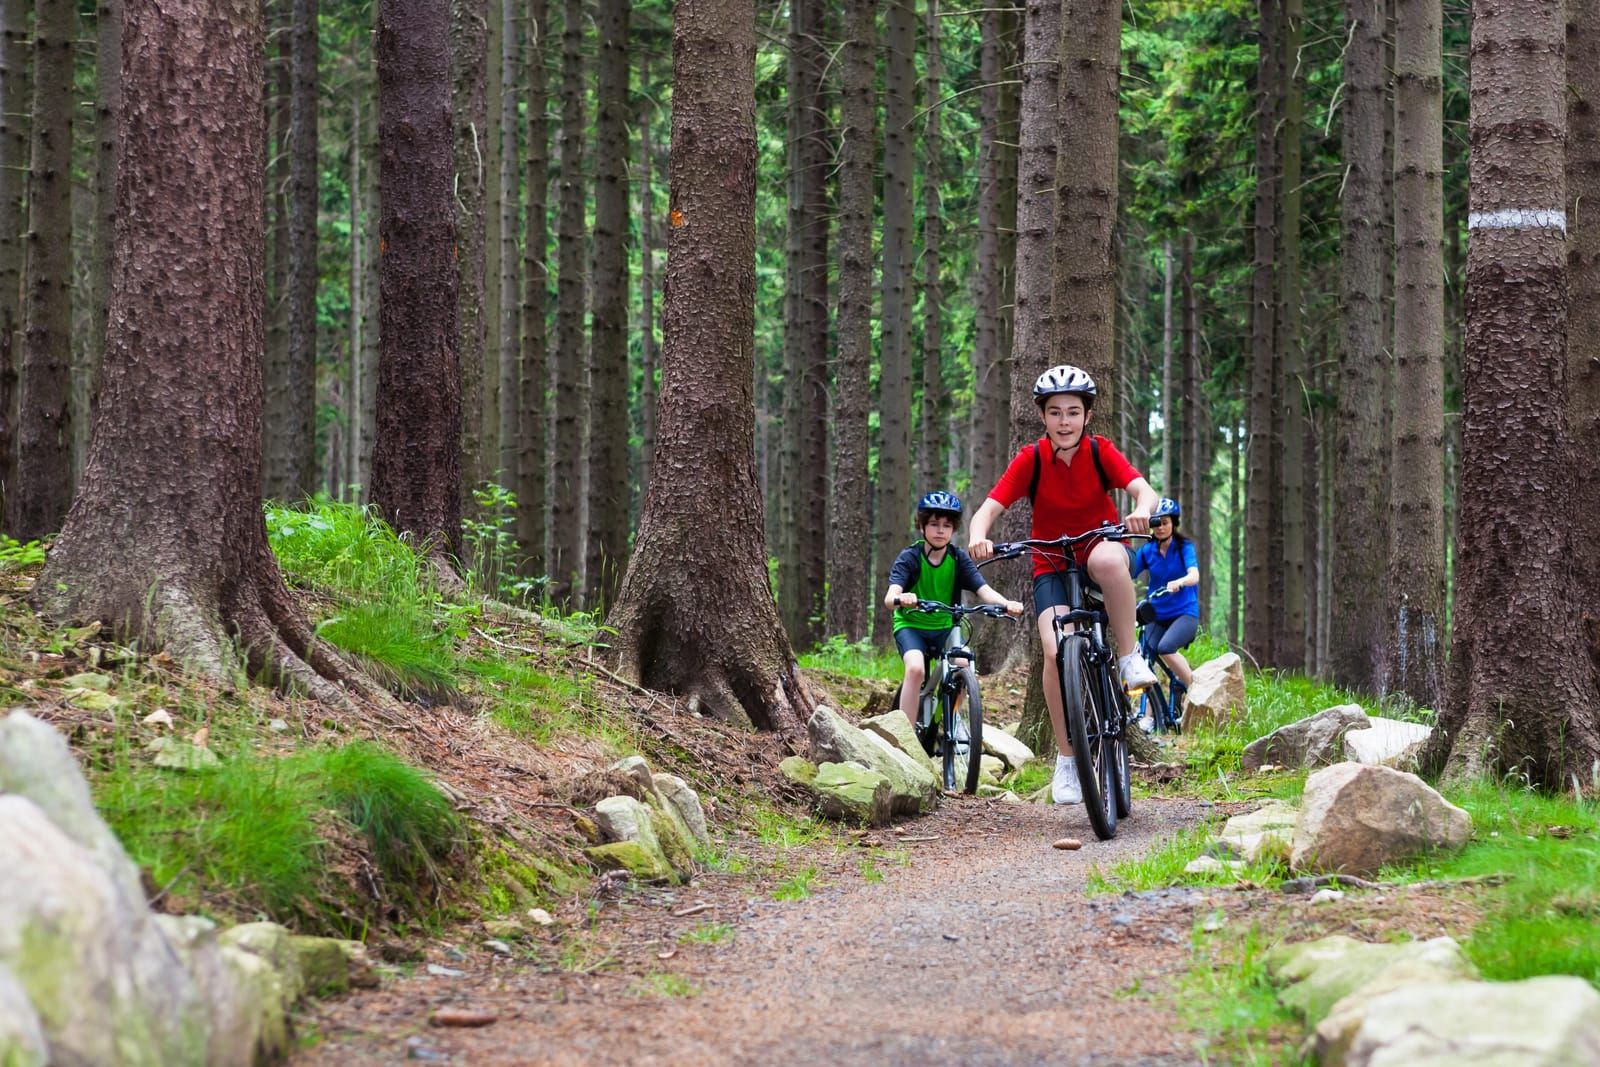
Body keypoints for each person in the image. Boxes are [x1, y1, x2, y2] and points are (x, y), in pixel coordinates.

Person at [967, 365, 1160, 805]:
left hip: (1100, 551)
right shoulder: (1032, 459)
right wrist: (978, 536)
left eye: (1073, 412)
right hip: (1051, 563)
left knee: (1108, 558)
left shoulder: (1100, 451)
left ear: (1087, 416)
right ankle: (1068, 759)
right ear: (1043, 416)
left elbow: (1144, 491)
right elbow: (988, 508)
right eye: (1055, 412)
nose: (1065, 421)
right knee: (1055, 651)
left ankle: (1128, 657)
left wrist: (1141, 511)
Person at [884, 491, 1024, 727]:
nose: (940, 530)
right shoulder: (910, 557)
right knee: (916, 669)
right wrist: (902, 597)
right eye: (934, 524)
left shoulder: (958, 559)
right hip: (911, 626)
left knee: (963, 663)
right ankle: (903, 736)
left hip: (945, 627)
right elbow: (890, 598)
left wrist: (1006, 604)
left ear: (954, 529)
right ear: (922, 526)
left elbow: (984, 590)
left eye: (947, 525)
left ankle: (952, 720)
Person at [1131, 496, 1200, 731]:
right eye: (1156, 523)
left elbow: (1194, 575)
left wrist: (1181, 582)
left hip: (1184, 613)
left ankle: (1198, 694)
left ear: (1173, 523)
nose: (1160, 527)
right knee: (1144, 659)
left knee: (1166, 647)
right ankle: (1148, 716)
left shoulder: (1183, 547)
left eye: (1165, 522)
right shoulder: (1147, 551)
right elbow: (1129, 572)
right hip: (1157, 614)